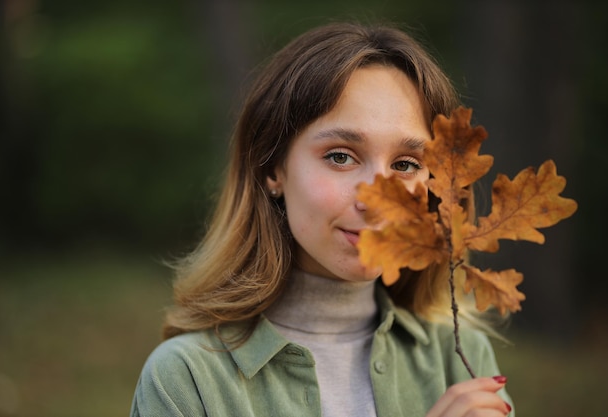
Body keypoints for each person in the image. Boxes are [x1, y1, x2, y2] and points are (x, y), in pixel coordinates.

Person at [130, 21, 514, 417]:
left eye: (405, 163)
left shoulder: (459, 357)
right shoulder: (187, 378)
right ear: (274, 168)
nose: (377, 199)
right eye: (341, 156)